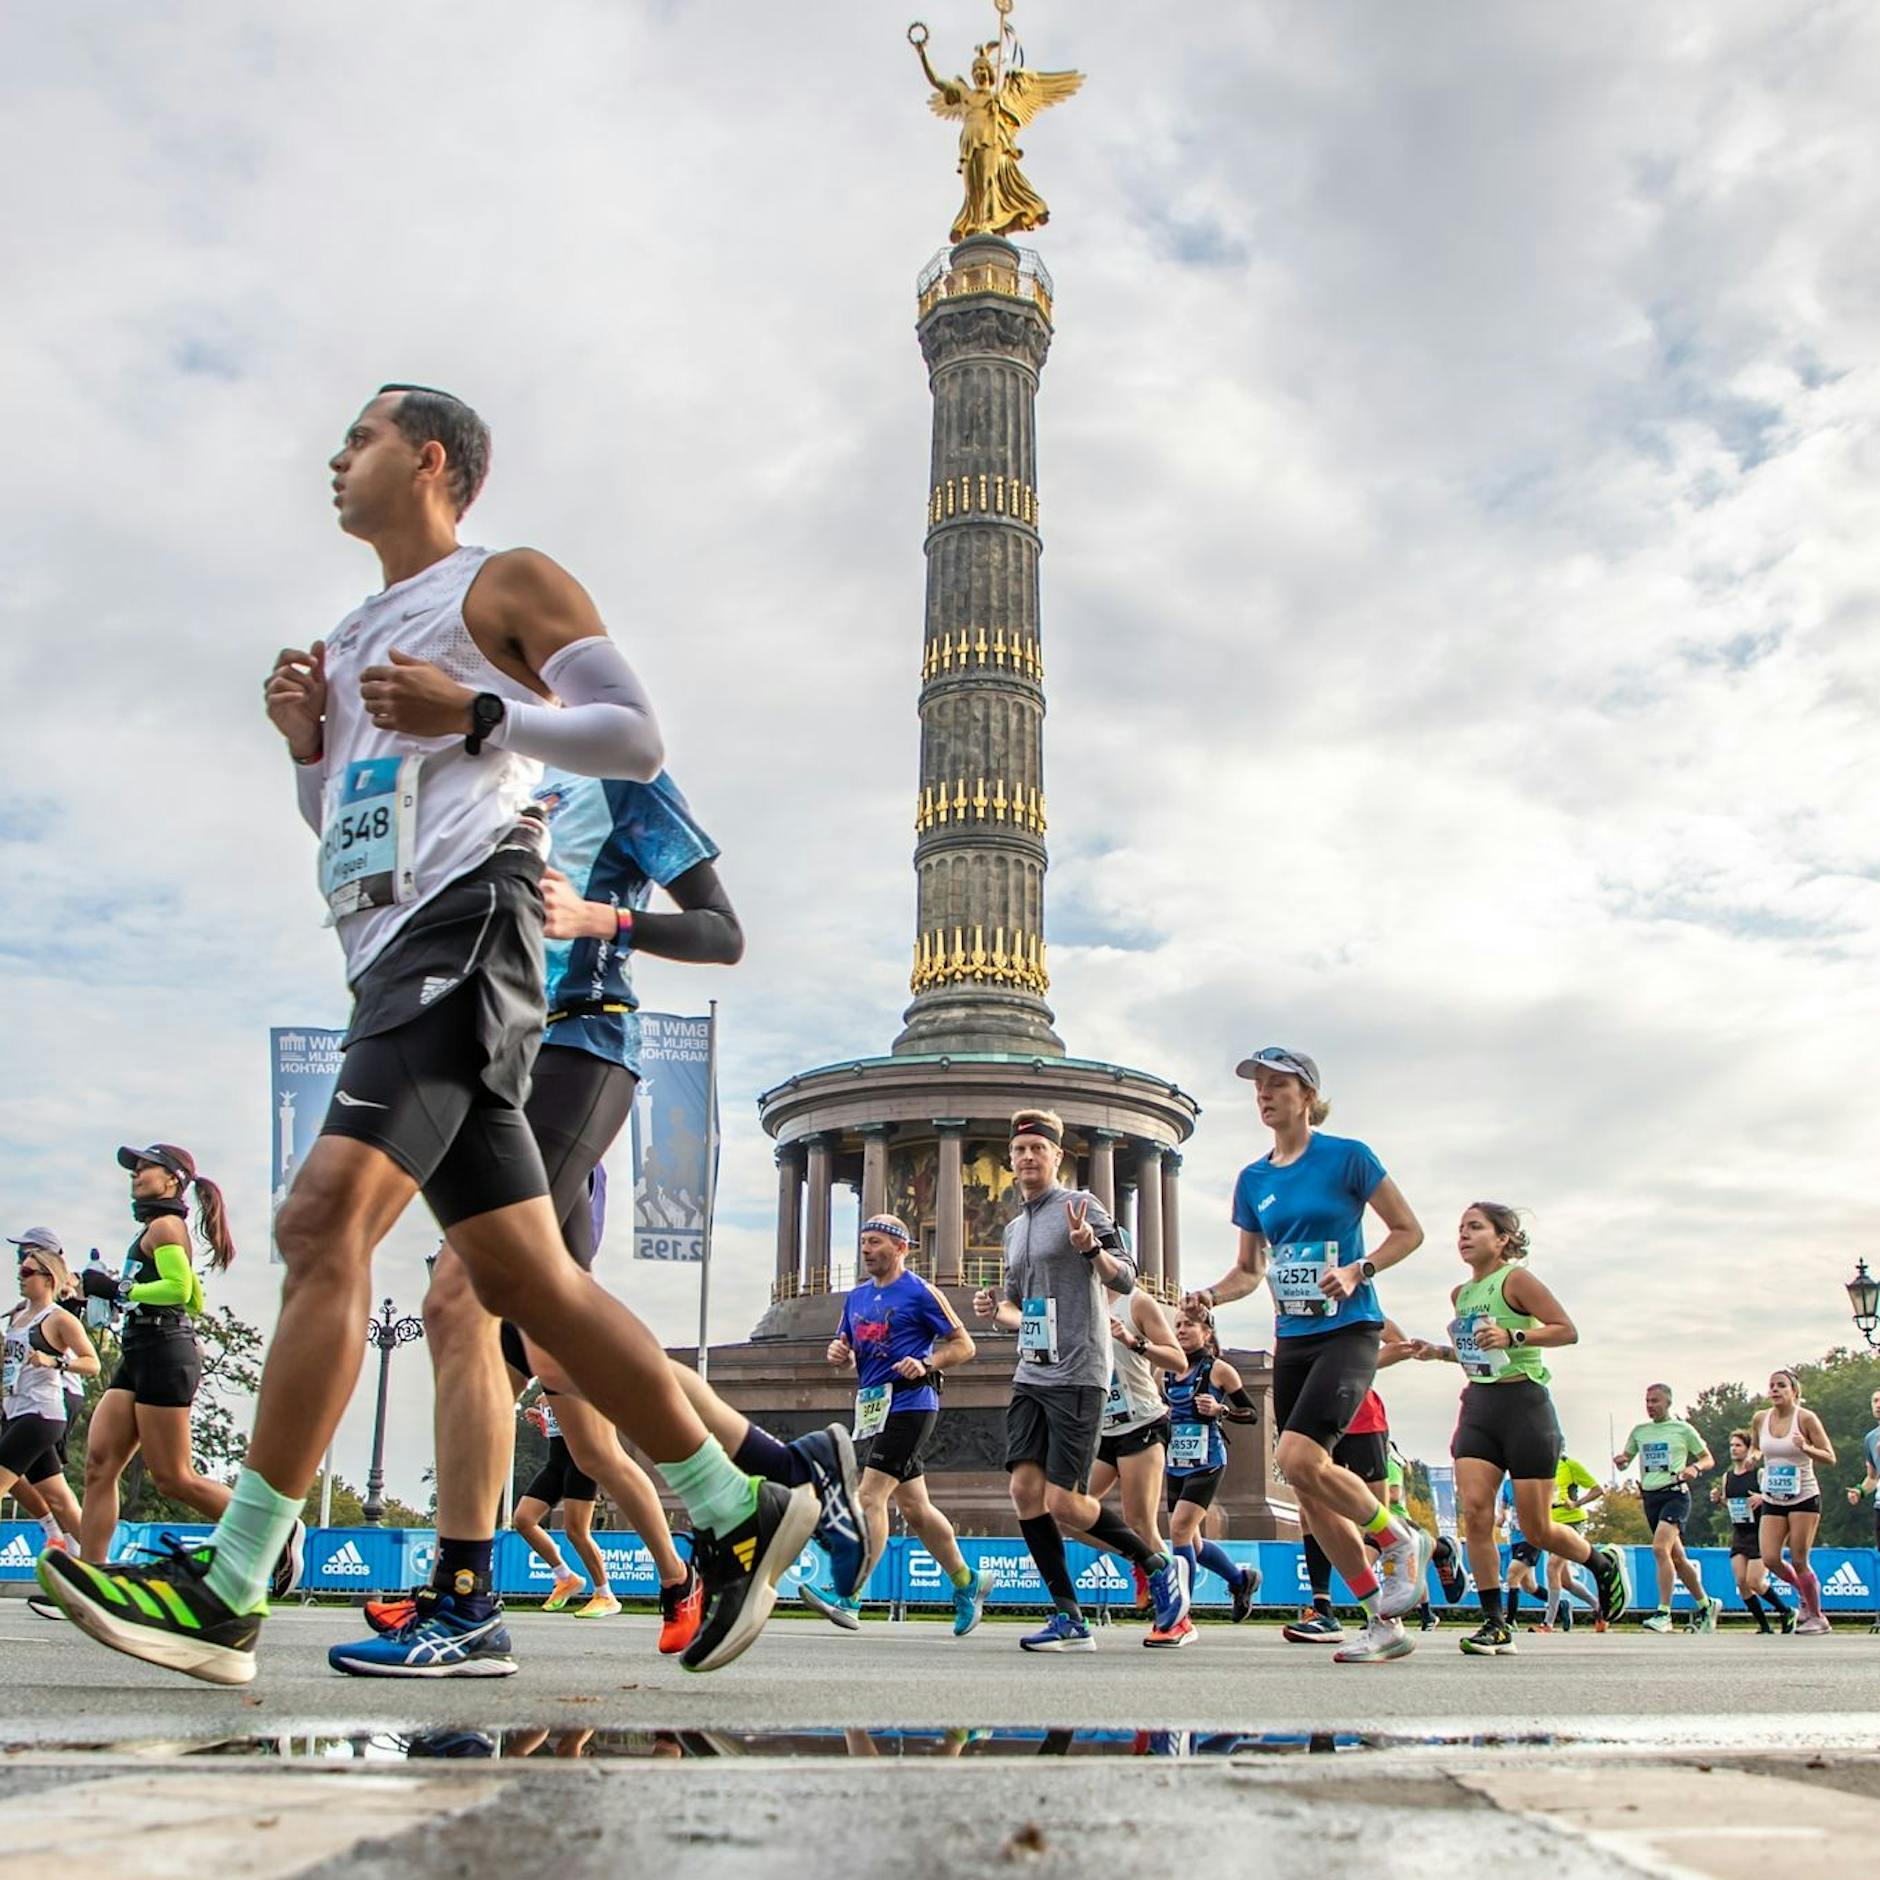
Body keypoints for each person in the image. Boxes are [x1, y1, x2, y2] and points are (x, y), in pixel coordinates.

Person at [39, 385, 815, 1684]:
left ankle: (233, 1585)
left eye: (362, 438)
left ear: (433, 460)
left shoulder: (499, 582)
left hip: (474, 931)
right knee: (518, 1280)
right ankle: (741, 1507)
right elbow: (349, 823)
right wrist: (307, 744)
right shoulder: (349, 636)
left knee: (319, 1220)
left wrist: (479, 715)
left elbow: (633, 734)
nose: (338, 457)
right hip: (397, 947)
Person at [339, 758, 747, 1675]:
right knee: (564, 1377)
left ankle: (468, 1596)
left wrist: (606, 919)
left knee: (461, 1308)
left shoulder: (622, 774)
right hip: (493, 1056)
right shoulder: (482, 791)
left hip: (581, 1041)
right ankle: (763, 1490)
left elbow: (723, 932)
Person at [1191, 1047, 1430, 1664]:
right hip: (1292, 1338)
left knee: (1296, 1454)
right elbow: (1249, 1270)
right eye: (1258, 1088)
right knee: (1309, 1490)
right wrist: (1209, 1296)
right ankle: (1382, 1620)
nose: (1264, 1095)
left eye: (1277, 1085)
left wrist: (1359, 1268)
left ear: (1307, 1094)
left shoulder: (1348, 1157)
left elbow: (1408, 1230)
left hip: (1349, 1328)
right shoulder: (1255, 1180)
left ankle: (1398, 1538)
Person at [972, 1108, 1190, 1652]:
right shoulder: (1015, 1229)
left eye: (1036, 1150)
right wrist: (992, 1307)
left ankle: (1157, 1566)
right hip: (1033, 1369)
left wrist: (1090, 1248)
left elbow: (1126, 1272)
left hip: (1080, 1370)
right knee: (1024, 1491)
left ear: (1056, 1157)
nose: (1026, 1159)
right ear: (1011, 1159)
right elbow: (1018, 1306)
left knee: (1066, 1503)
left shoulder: (1081, 1206)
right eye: (1019, 1151)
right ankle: (1069, 1617)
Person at [72, 1147, 306, 1587]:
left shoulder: (165, 1225)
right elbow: (197, 1299)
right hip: (140, 1351)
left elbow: (178, 1290)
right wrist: (101, 1293)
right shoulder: (160, 1229)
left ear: (173, 1180)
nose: (135, 1176)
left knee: (174, 1478)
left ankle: (279, 1529)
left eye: (145, 1168)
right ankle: (90, 1578)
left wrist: (120, 1289)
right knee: (99, 1465)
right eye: (133, 1170)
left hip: (164, 1352)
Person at [1415, 1203, 1628, 1655]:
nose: (1464, 1236)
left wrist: (1515, 1336)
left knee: (1537, 1530)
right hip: (1478, 1405)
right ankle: (1494, 1623)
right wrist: (1439, 1352)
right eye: (1460, 1229)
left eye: (1475, 1227)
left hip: (1525, 1406)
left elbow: (1566, 1330)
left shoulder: (1516, 1280)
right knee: (1475, 1512)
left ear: (1504, 1238)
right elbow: (1478, 1354)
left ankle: (1601, 1563)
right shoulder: (1461, 1294)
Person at [807, 1215, 987, 1636]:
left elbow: (965, 1346)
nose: (867, 1249)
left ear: (901, 1248)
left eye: (876, 1242)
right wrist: (840, 1353)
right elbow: (850, 1350)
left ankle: (850, 1596)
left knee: (869, 1497)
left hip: (912, 1404)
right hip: (872, 1409)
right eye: (863, 1242)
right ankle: (967, 1582)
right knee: (915, 1508)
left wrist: (927, 1361)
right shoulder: (855, 1298)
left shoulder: (921, 1292)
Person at [1282, 1319, 1414, 1645]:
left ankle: (1434, 1551)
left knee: (1374, 1516)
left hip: (1361, 1418)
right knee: (1309, 1507)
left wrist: (1352, 1365)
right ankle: (1324, 1609)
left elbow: (1401, 1345)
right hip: (1312, 1419)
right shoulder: (1296, 1312)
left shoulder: (1355, 1302)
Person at [1159, 1302, 1260, 1643]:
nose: (1182, 1331)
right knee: (1193, 1541)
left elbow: (1251, 1413)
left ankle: (1179, 1615)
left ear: (1207, 1332)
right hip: (1176, 1462)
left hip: (1208, 1461)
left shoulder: (1219, 1371)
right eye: (1177, 1325)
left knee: (1179, 1528)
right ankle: (1239, 1579)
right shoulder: (1166, 1372)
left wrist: (1221, 1410)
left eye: (1189, 1325)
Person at [1094, 1278, 1187, 1626]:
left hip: (1141, 1423)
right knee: (1068, 1509)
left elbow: (1177, 1360)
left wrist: (1132, 1341)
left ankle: (1178, 1618)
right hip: (1102, 1426)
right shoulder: (1077, 1299)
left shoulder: (1136, 1302)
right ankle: (1144, 1559)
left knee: (1140, 1522)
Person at [1, 1244, 100, 1532]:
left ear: (48, 1278)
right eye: (20, 1271)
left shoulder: (58, 1318)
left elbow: (92, 1363)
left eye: (27, 1272)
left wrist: (54, 1362)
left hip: (40, 1416)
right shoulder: (19, 1317)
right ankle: (100, 1562)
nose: (20, 1277)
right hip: (17, 1411)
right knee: (59, 1501)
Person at [1614, 1383, 1720, 1634]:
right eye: (1647, 1401)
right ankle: (1707, 1605)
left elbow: (1708, 1458)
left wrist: (1695, 1468)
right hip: (1651, 1498)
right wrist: (1622, 1461)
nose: (1650, 1406)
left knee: (1660, 1549)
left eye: (1656, 1401)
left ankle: (1664, 1613)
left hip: (1675, 1495)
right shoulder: (1640, 1431)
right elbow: (1626, 1460)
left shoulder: (1683, 1430)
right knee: (1677, 1558)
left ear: (1668, 1403)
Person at [509, 1394, 617, 1617]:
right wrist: (544, 1418)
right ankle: (566, 1578)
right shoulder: (545, 1393)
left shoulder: (572, 1381)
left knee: (576, 1531)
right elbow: (558, 1429)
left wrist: (557, 1401)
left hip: (581, 1463)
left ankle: (605, 1595)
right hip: (556, 1465)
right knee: (523, 1520)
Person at [1751, 1368, 1836, 1636]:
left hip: (1804, 1497)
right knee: (1770, 1558)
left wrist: (1806, 1448)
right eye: (1772, 1385)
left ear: (1794, 1391)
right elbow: (1756, 1446)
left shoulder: (1806, 1418)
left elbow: (1829, 1456)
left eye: (1781, 1386)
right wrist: (1753, 1457)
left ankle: (1818, 1617)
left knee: (1799, 1558)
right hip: (1774, 1497)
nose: (1775, 1390)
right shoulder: (1760, 1418)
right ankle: (1805, 1594)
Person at [1712, 1428, 1794, 1635]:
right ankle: (1764, 1625)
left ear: (1749, 1449)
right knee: (1741, 1581)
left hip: (1760, 1531)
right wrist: (1719, 1500)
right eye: (1731, 1445)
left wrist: (1761, 1497)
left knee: (1755, 1581)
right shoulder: (1727, 1477)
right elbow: (1731, 1504)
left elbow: (1778, 1496)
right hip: (1740, 1531)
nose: (1734, 1449)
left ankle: (1786, 1612)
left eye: (1738, 1445)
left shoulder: (1759, 1474)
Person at [1537, 1455, 1604, 1632]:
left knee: (1552, 1567)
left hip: (1572, 1522)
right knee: (1565, 1580)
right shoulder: (1540, 1466)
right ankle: (1599, 1608)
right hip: (1552, 1525)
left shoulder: (1570, 1465)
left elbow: (1597, 1489)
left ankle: (1548, 1623)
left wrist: (1576, 1503)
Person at [1844, 1387, 1880, 1551]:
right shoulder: (1871, 1438)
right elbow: (1872, 1477)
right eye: (1875, 1401)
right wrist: (1860, 1491)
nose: (1878, 1405)